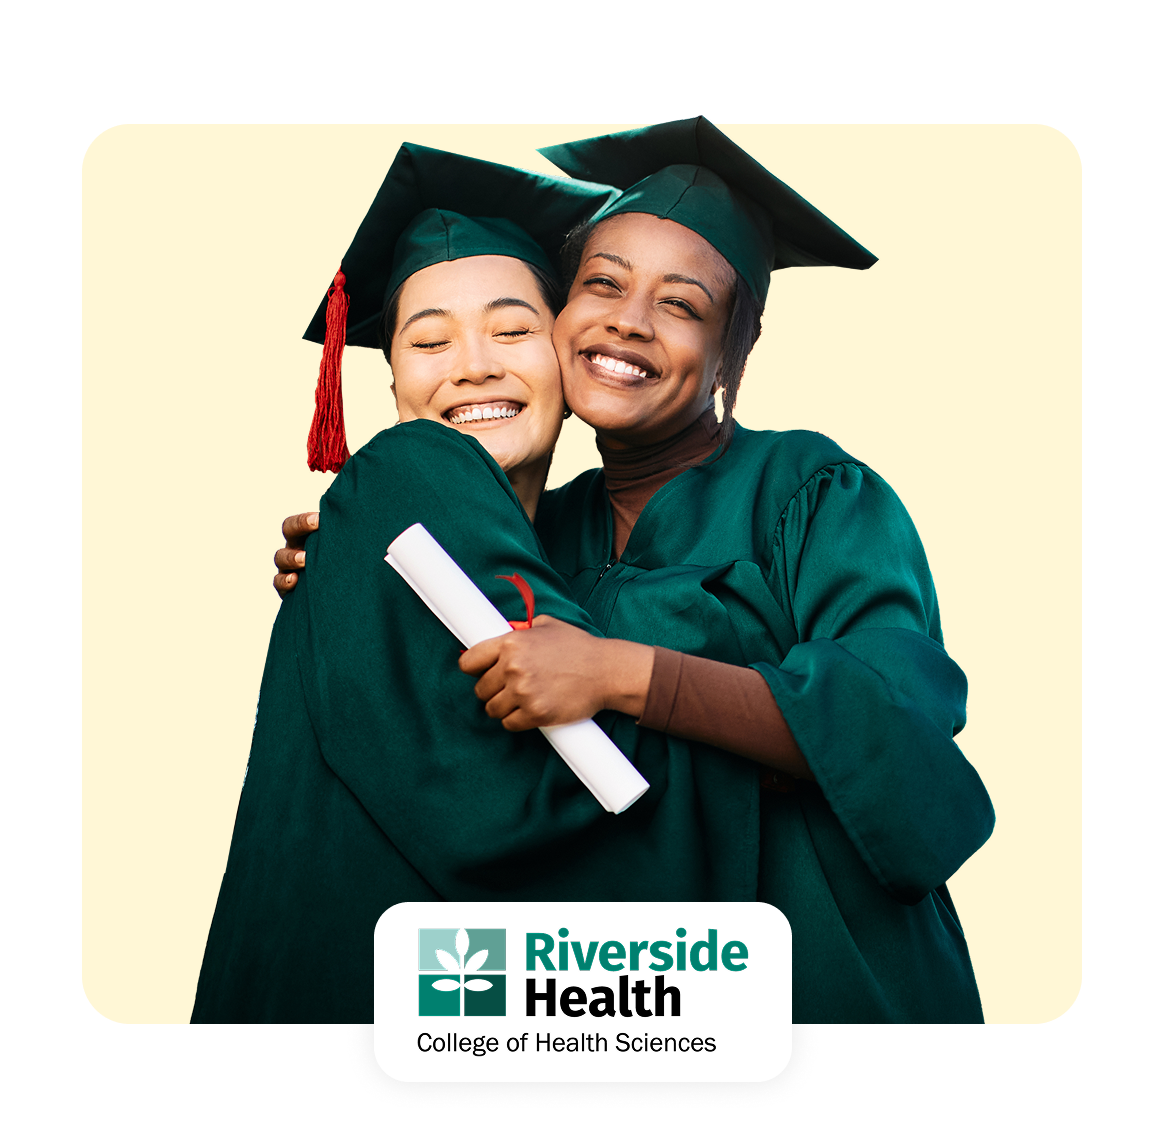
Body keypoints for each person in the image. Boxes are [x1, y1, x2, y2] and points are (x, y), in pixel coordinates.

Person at [270, 121, 996, 1024]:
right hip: (636, 1005)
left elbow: (892, 733)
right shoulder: (535, 531)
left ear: (736, 348)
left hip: (828, 976)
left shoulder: (813, 492)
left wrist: (622, 675)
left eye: (683, 305)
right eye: (602, 285)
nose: (629, 319)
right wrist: (350, 574)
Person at [192, 144, 767, 1024]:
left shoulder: (552, 542)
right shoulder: (415, 469)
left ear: (570, 361)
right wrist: (716, 635)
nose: (472, 366)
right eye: (428, 340)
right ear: (391, 382)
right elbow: (574, 803)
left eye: (511, 330)